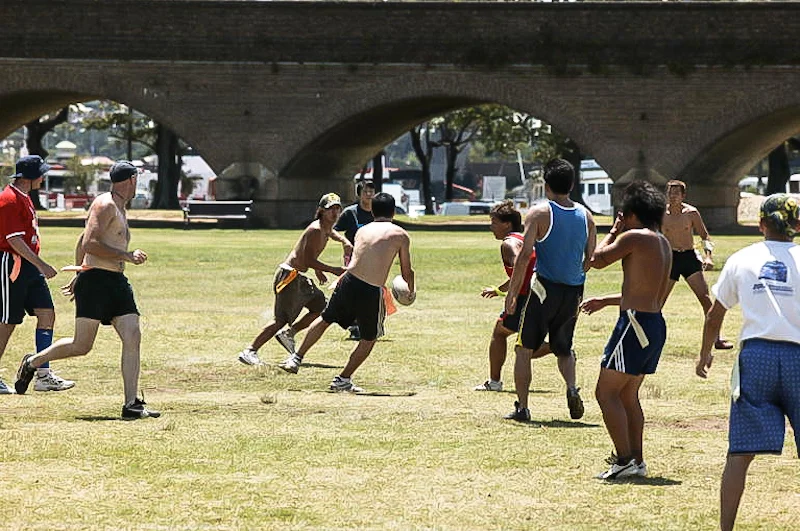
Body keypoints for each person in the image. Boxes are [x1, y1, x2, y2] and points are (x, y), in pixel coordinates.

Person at [15, 161, 158, 419]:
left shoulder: (120, 207)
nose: (139, 183)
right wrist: (123, 255)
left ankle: (131, 404)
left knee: (133, 335)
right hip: (97, 283)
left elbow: (82, 240)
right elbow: (90, 243)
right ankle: (32, 362)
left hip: (116, 282)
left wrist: (80, 269)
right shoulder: (105, 204)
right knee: (81, 345)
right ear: (131, 179)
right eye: (138, 178)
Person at [696, 194, 800, 531]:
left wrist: (705, 351)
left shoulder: (742, 259)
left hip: (756, 358)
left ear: (761, 224)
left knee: (739, 453)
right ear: (796, 225)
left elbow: (716, 313)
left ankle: (726, 528)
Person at [279, 192, 414, 393]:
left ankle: (296, 358)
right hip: (370, 289)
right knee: (369, 337)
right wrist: (410, 290)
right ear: (393, 212)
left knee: (326, 318)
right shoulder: (400, 235)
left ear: (373, 211)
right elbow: (406, 271)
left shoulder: (362, 231)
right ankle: (343, 379)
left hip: (348, 281)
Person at [582, 181, 672, 480]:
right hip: (653, 323)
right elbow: (645, 291)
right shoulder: (663, 242)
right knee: (628, 396)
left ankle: (623, 460)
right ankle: (637, 460)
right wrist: (606, 301)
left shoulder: (633, 236)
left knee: (605, 393)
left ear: (632, 213)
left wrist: (613, 229)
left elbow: (593, 261)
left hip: (633, 325)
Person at [504, 158, 596, 421]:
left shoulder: (540, 213)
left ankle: (522, 407)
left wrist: (512, 294)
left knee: (523, 348)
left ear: (546, 185)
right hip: (574, 291)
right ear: (572, 184)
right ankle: (571, 388)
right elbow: (589, 259)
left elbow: (524, 257)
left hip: (544, 289)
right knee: (564, 347)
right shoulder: (585, 215)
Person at [236, 193, 350, 366]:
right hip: (289, 277)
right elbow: (308, 260)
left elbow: (331, 233)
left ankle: (290, 333)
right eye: (330, 210)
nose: (334, 213)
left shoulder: (326, 227)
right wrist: (333, 270)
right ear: (321, 211)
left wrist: (343, 241)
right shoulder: (316, 229)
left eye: (337, 209)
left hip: (299, 277)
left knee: (321, 307)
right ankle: (250, 351)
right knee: (280, 320)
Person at [0, 155, 73, 394]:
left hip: (29, 267)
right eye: (41, 173)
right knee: (7, 321)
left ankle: (43, 374)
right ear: (30, 177)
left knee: (47, 314)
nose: (44, 177)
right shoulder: (9, 199)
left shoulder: (25, 197)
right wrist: (42, 264)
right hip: (13, 265)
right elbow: (14, 240)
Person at [475, 200, 538, 392]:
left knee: (500, 332)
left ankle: (494, 382)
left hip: (525, 296)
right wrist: (499, 290)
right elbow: (521, 271)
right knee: (524, 339)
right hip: (538, 292)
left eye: (494, 222)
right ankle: (560, 348)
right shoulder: (523, 239)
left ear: (507, 224)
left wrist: (511, 295)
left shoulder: (509, 244)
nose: (491, 226)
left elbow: (522, 267)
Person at [662, 179, 733, 350]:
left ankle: (716, 338)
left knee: (706, 300)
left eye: (676, 193)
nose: (672, 196)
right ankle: (646, 337)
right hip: (671, 258)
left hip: (688, 258)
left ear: (683, 195)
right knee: (658, 302)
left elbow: (705, 237)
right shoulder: (660, 214)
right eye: (670, 193)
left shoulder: (691, 213)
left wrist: (708, 257)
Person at [334, 181, 375, 340]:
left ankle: (369, 322)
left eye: (372, 191)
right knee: (355, 291)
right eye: (366, 191)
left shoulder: (377, 212)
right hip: (354, 258)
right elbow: (333, 230)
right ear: (359, 194)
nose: (369, 194)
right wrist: (345, 242)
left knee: (372, 290)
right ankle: (354, 325)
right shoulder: (351, 213)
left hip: (373, 257)